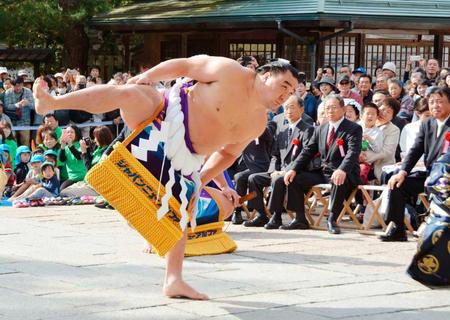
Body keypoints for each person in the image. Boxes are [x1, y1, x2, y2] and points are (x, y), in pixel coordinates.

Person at [33, 55, 300, 300]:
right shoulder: (230, 71)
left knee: (179, 213)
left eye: (291, 91)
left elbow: (229, 154)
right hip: (165, 114)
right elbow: (184, 65)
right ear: (266, 75)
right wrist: (151, 76)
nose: (285, 94)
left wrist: (201, 180)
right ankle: (53, 103)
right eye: (284, 85)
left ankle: (173, 279)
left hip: (187, 159)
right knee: (132, 94)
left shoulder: (258, 123)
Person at [284, 94, 362, 234]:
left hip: (345, 172)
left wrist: (342, 169)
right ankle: (300, 218)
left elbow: (353, 152)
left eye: (334, 108)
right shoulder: (320, 128)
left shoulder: (353, 128)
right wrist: (293, 168)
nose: (330, 111)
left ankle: (332, 219)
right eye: (327, 108)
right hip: (323, 171)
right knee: (294, 178)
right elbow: (308, 151)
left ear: (343, 109)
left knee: (338, 179)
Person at [380, 86, 450, 242]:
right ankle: (397, 228)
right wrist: (403, 172)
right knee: (397, 184)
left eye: (439, 102)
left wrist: (437, 176)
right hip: (429, 174)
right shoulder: (427, 123)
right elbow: (415, 150)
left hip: (446, 176)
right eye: (431, 102)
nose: (434, 106)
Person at [245, 93, 314, 229]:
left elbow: (306, 155)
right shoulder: (281, 129)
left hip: (297, 171)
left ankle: (276, 217)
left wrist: (286, 171)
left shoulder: (308, 129)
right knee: (254, 178)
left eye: (292, 107)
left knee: (278, 180)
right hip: (280, 170)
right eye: (286, 107)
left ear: (301, 109)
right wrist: (273, 170)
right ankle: (261, 215)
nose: (288, 111)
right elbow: (275, 154)